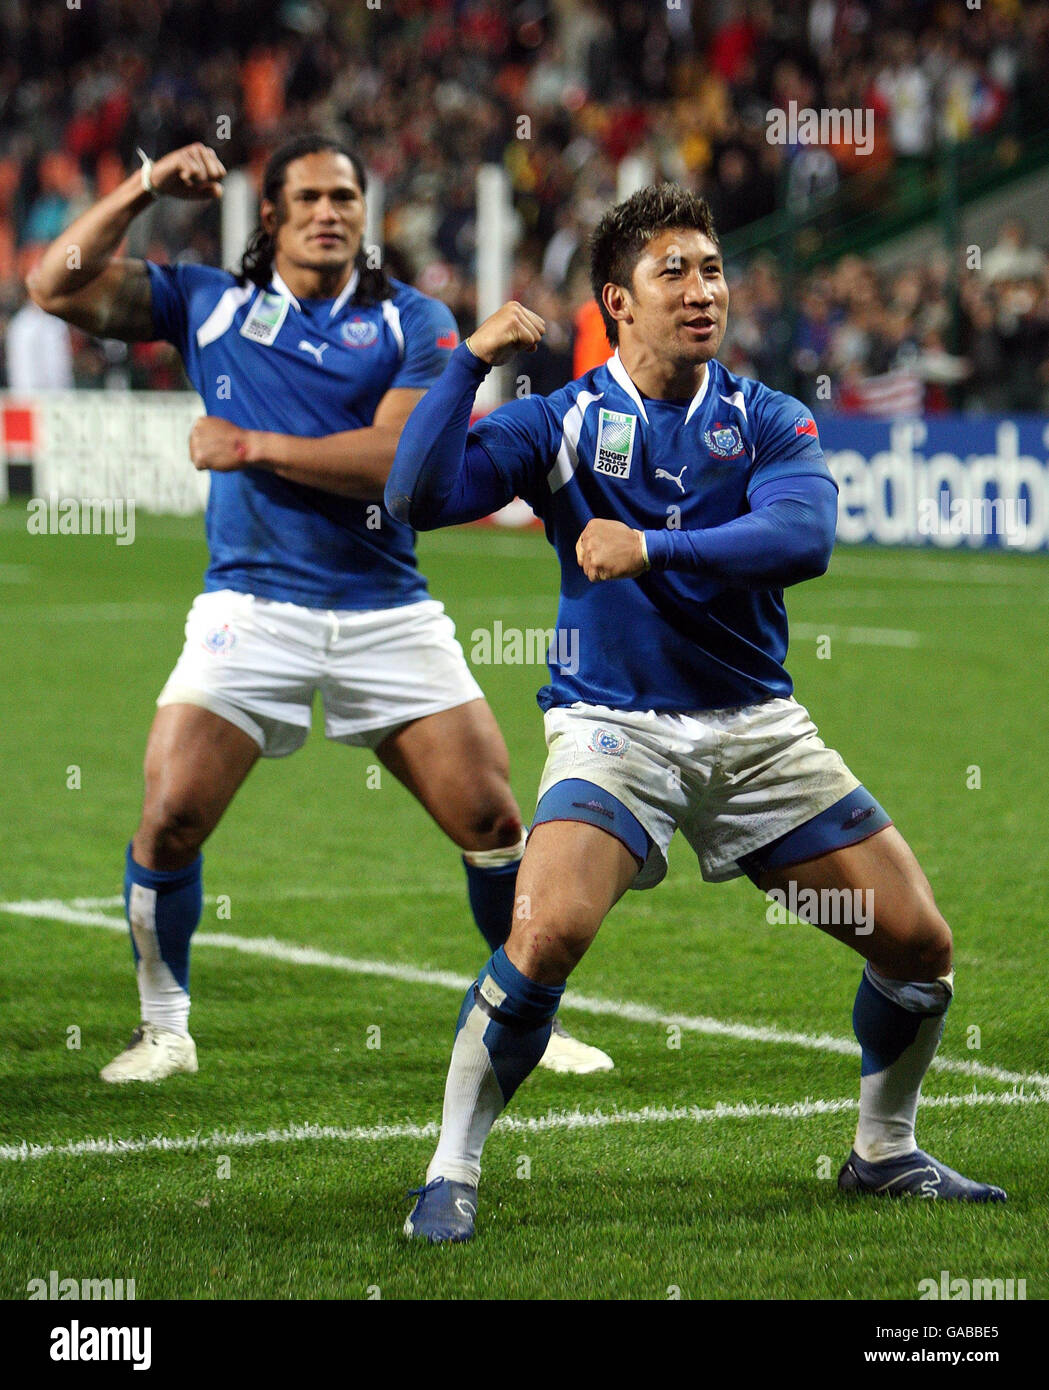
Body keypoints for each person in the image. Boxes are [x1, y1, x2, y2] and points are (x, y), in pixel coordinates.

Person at [385, 183, 1006, 1243]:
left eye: (711, 268)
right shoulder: (559, 422)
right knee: (541, 938)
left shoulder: (767, 416)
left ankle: (882, 1150)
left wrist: (652, 546)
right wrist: (463, 363)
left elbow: (801, 539)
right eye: (672, 270)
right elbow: (413, 496)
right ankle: (450, 1168)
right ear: (616, 302)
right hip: (612, 727)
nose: (701, 288)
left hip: (755, 729)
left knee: (915, 947)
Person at [26, 134, 612, 1083]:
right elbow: (54, 284)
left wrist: (250, 447)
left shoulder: (411, 321)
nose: (330, 212)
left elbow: (391, 460)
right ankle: (164, 1028)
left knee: (494, 819)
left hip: (387, 609)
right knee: (170, 815)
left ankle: (525, 1020)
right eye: (309, 198)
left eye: (345, 196)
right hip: (250, 606)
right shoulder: (208, 303)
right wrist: (142, 186)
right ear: (273, 216)